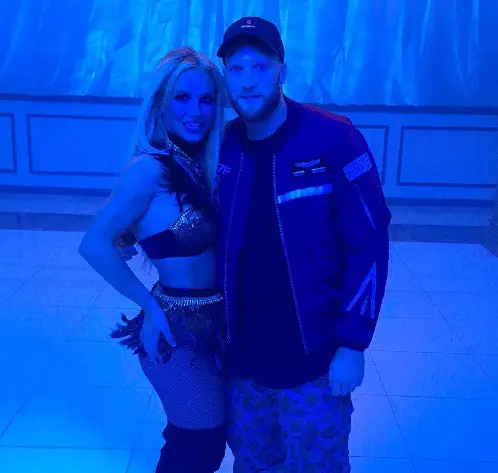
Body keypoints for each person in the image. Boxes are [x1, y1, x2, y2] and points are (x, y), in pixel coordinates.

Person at [215, 17, 392, 472]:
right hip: (243, 363)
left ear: (282, 71)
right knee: (253, 463)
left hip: (315, 361)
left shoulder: (335, 139)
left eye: (260, 66)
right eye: (236, 69)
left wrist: (353, 343)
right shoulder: (223, 147)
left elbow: (369, 244)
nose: (248, 81)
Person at [78, 46, 228, 473]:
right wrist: (149, 306)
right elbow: (94, 244)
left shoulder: (205, 163)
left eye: (206, 99)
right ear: (160, 104)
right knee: (197, 444)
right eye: (182, 98)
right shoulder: (150, 169)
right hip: (173, 329)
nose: (195, 111)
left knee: (204, 441)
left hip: (220, 323)